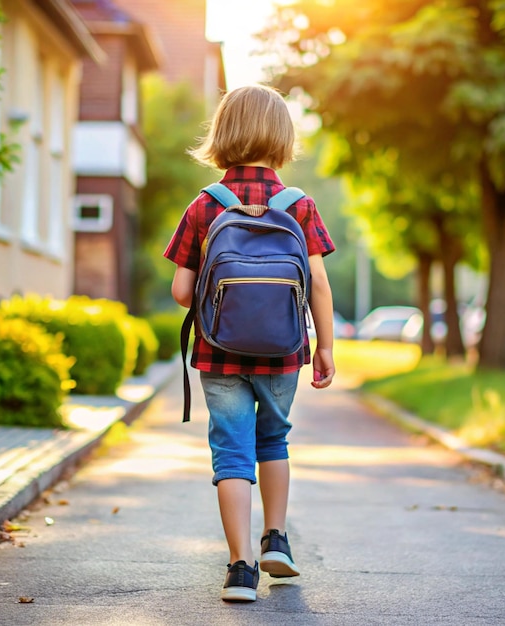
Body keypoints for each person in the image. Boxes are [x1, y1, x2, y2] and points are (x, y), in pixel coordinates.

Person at [163, 84, 335, 602]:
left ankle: (240, 569)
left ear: (222, 134)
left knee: (231, 452)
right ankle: (275, 538)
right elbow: (319, 284)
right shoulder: (298, 205)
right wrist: (324, 346)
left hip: (218, 353)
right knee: (273, 440)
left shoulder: (205, 205)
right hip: (284, 350)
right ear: (283, 138)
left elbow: (180, 291)